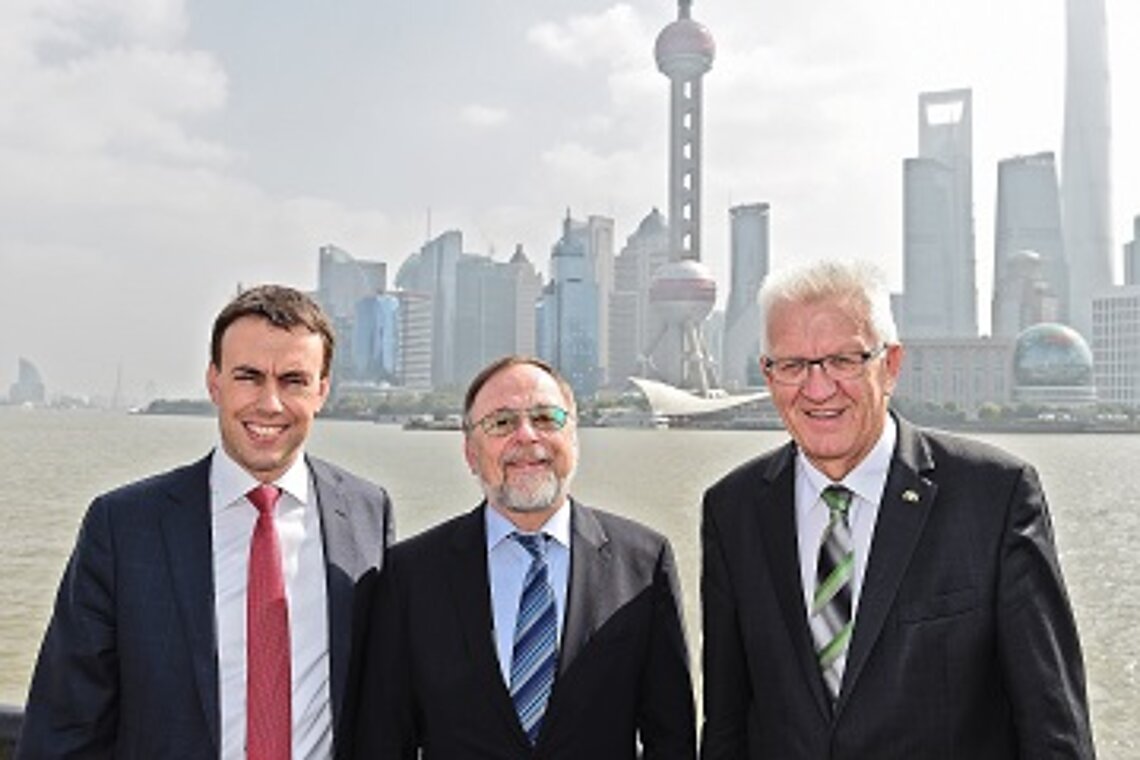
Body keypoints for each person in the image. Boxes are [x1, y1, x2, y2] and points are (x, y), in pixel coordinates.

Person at [699, 260, 1095, 759]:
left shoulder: (996, 498)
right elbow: (727, 725)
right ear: (767, 373)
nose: (818, 389)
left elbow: (1052, 725)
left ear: (890, 365)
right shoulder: (732, 511)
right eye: (793, 365)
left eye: (843, 360)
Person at [18, 284, 394, 759]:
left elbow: (384, 696)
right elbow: (66, 723)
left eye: (294, 380)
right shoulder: (122, 527)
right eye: (249, 377)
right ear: (214, 382)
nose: (270, 404)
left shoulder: (366, 513)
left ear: (322, 390)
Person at [350, 356, 696, 759]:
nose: (527, 436)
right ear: (470, 453)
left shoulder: (643, 562)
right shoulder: (410, 574)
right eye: (501, 422)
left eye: (546, 418)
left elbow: (671, 738)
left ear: (575, 439)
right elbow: (384, 740)